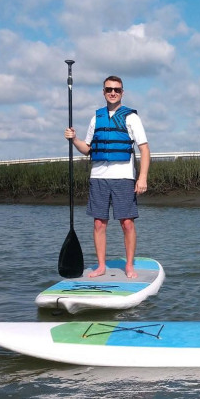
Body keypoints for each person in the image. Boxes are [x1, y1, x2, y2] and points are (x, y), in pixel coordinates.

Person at [65, 75, 150, 278]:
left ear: (122, 92)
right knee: (98, 223)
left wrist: (142, 177)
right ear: (103, 92)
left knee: (127, 223)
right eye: (109, 89)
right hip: (98, 177)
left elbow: (144, 150)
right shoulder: (96, 118)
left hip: (124, 177)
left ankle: (129, 265)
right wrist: (74, 138)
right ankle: (101, 266)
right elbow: (87, 149)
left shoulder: (131, 118)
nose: (113, 92)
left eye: (117, 89)